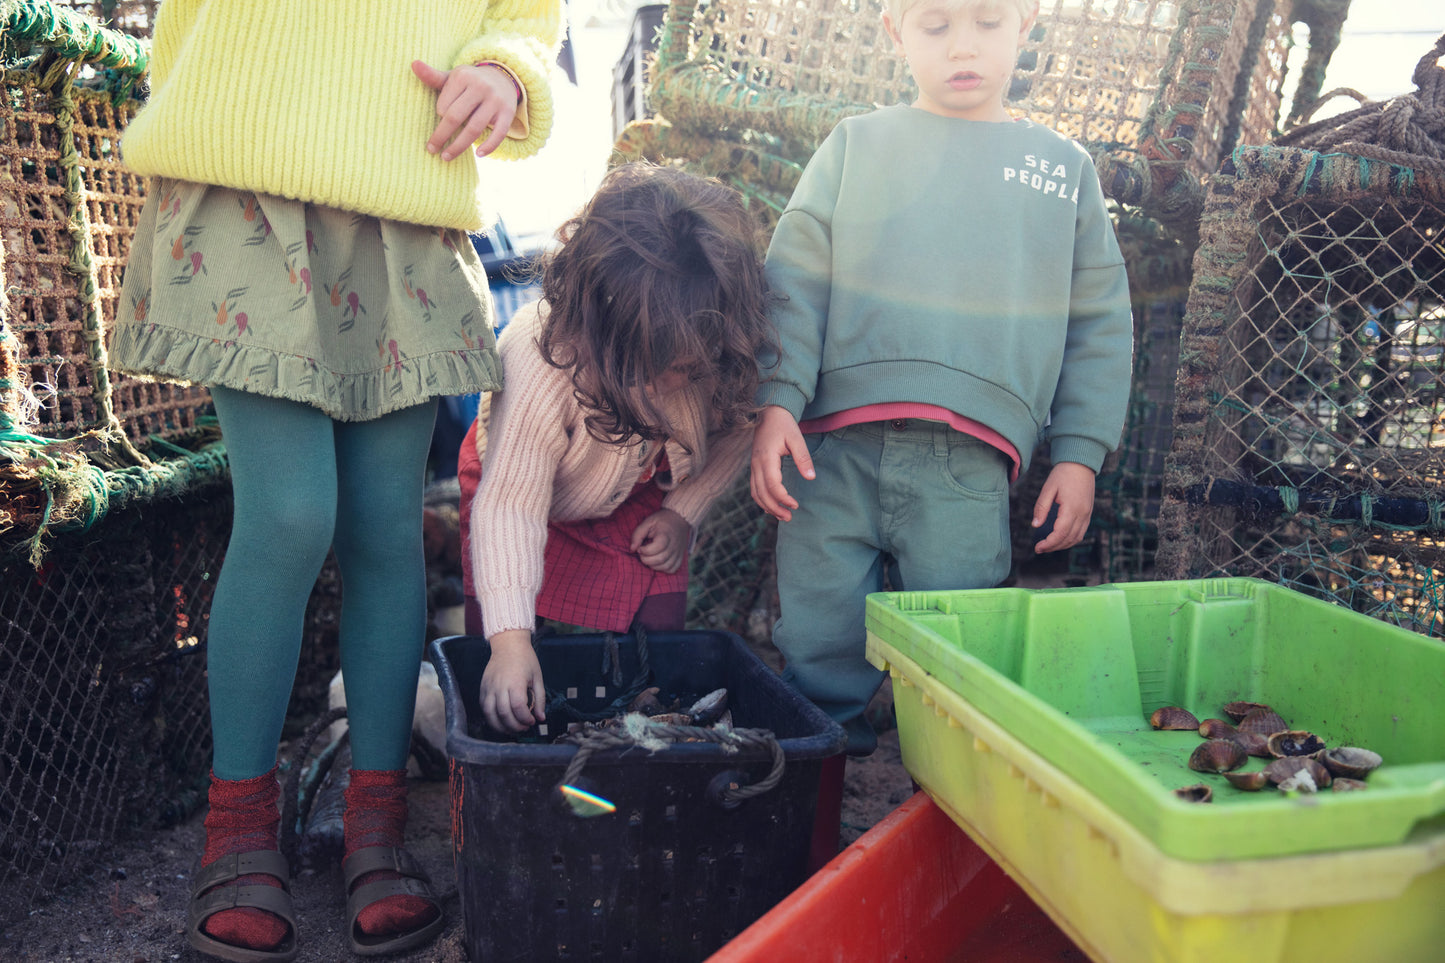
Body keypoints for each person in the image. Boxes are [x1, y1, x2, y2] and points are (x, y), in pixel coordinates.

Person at [108, 2, 561, 960]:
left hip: (404, 200)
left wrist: (506, 74)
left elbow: (525, 19)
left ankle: (378, 820)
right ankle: (235, 827)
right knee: (289, 513)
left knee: (384, 531)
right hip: (245, 183)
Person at [750, 0, 1134, 759]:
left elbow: (1101, 321)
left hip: (970, 463)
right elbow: (792, 279)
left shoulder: (1062, 170)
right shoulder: (856, 144)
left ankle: (946, 795)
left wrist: (1079, 453)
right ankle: (822, 787)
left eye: (987, 23)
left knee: (960, 650)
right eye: (935, 26)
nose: (963, 46)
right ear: (894, 32)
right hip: (829, 450)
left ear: (1025, 24)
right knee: (819, 629)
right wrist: (776, 399)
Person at [457, 162, 775, 734]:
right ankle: (503, 698)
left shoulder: (712, 344)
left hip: (636, 478)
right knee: (503, 625)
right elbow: (510, 508)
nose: (677, 382)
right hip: (519, 482)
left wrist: (683, 513)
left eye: (687, 368)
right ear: (597, 332)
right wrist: (509, 644)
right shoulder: (540, 359)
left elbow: (740, 425)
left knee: (660, 603)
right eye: (660, 367)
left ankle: (648, 716)